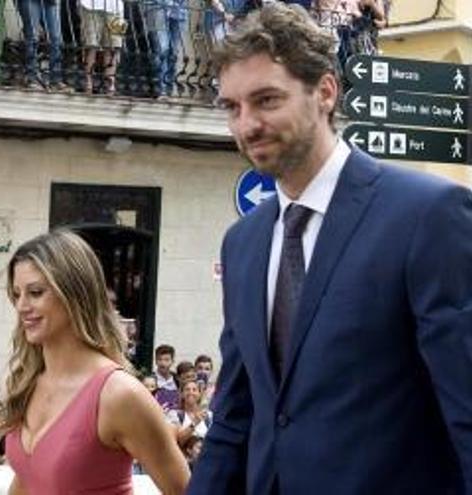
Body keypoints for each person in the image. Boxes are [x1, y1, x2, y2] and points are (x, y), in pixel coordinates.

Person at [189, 4, 472, 494]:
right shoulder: (243, 244)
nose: (247, 124)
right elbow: (236, 418)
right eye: (232, 107)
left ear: (324, 91)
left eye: (266, 100)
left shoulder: (428, 216)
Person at [4, 230, 190, 494]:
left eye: (35, 292)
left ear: (75, 294)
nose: (21, 306)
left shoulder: (119, 394)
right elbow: (27, 478)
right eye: (16, 294)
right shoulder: (30, 382)